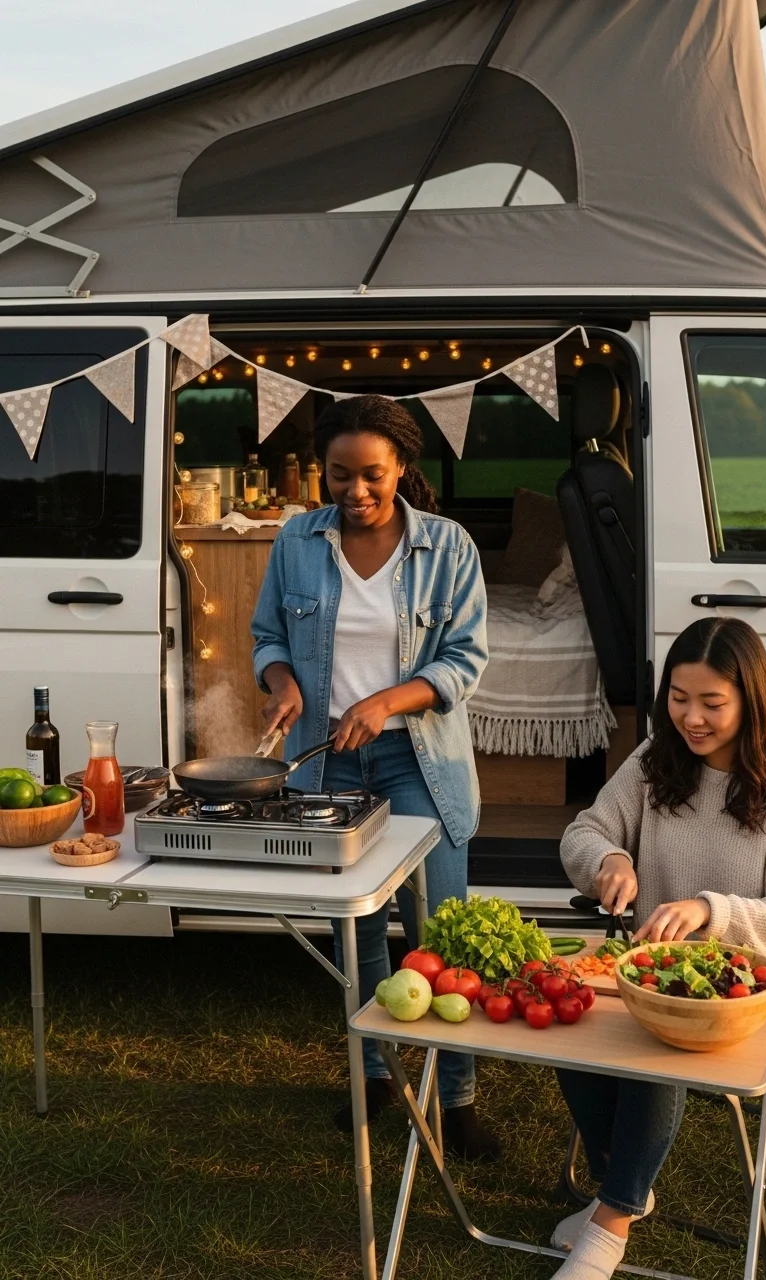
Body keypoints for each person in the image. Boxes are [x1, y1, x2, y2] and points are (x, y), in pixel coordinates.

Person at [250, 395, 499, 1160]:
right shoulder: (297, 540)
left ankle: (455, 1096)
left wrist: (385, 700)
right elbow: (267, 637)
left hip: (418, 755)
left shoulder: (447, 547)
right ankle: (374, 1078)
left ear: (402, 470)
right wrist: (285, 685)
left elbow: (463, 659)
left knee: (439, 932)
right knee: (354, 928)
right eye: (339, 477)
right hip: (328, 759)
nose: (355, 493)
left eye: (372, 477)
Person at [549, 617, 766, 1280]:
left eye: (713, 703)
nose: (692, 718)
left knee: (663, 1044)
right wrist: (610, 859)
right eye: (680, 698)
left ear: (752, 700)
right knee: (572, 1019)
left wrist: (710, 910)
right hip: (652, 980)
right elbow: (583, 832)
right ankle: (622, 1181)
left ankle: (613, 1219)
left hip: (763, 994)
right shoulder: (656, 761)